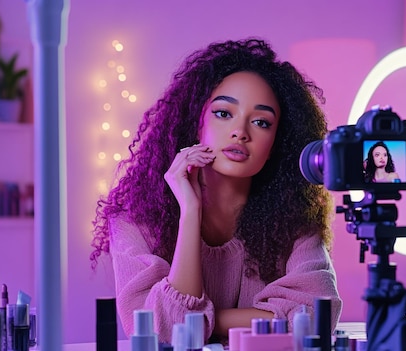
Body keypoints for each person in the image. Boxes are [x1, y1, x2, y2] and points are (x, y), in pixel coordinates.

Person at [90, 38, 342, 343]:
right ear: (196, 122)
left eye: (261, 122)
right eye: (224, 113)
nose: (240, 131)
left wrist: (204, 321)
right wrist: (190, 213)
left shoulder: (294, 222)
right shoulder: (133, 222)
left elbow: (318, 319)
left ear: (278, 142)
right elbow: (162, 333)